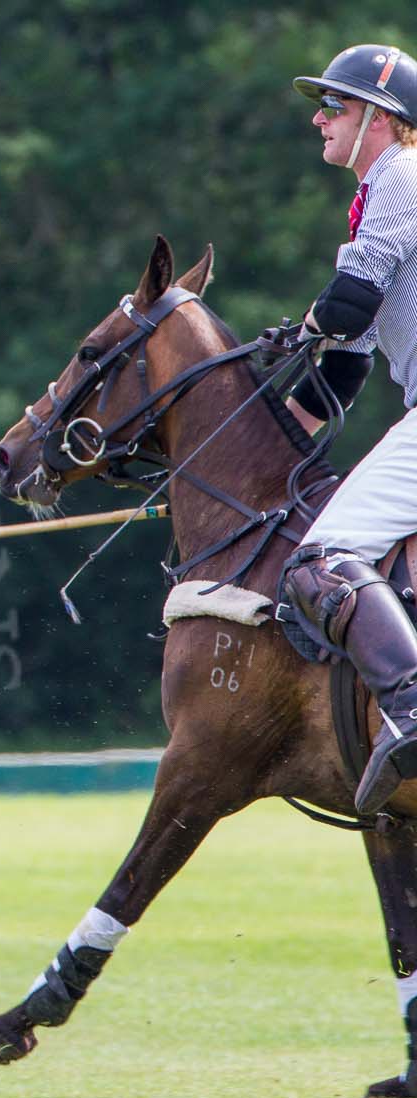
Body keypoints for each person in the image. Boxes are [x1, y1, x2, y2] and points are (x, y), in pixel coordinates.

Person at [279, 45, 417, 819]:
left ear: (379, 116)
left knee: (319, 559)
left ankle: (412, 708)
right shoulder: (382, 193)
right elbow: (346, 365)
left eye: (335, 104)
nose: (319, 117)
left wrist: (306, 325)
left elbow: (345, 304)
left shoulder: (400, 174)